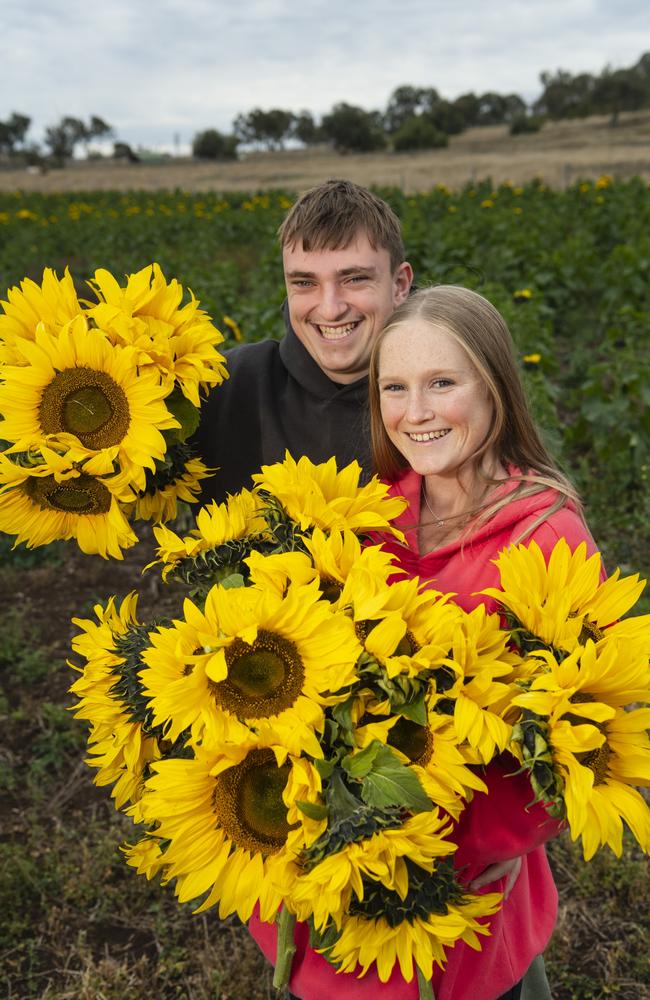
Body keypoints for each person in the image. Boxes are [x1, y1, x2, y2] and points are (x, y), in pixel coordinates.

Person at [365, 284, 601, 998]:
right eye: (394, 388)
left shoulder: (545, 533)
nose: (416, 413)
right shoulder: (373, 514)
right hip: (358, 862)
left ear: (494, 386)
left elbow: (585, 725)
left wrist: (476, 847)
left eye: (442, 383)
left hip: (465, 894)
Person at [194, 178, 413, 502]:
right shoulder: (224, 384)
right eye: (305, 283)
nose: (331, 308)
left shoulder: (442, 398)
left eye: (354, 279)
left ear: (399, 285)